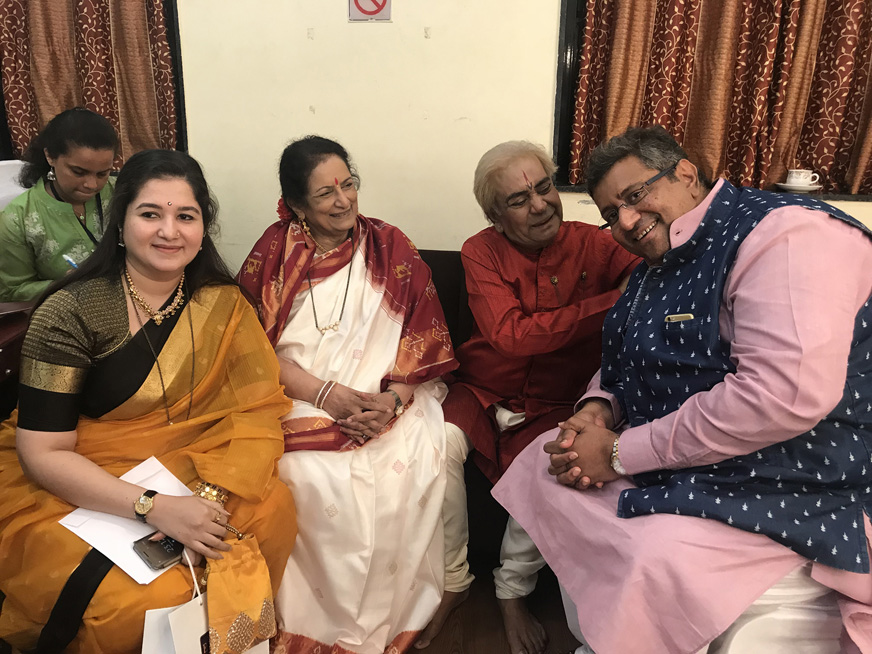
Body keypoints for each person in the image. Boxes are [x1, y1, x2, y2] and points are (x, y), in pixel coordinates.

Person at [493, 126, 872, 653]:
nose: (625, 220)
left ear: (687, 173)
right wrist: (599, 407)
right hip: (686, 455)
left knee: (654, 554)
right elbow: (626, 353)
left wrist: (621, 453)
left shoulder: (787, 235)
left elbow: (782, 398)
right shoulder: (659, 257)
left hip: (788, 472)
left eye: (634, 195)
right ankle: (569, 615)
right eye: (610, 212)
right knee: (546, 458)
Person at [0, 150, 297, 654]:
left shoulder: (221, 303)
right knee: (140, 596)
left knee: (275, 512)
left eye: (186, 216)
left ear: (203, 227)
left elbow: (255, 407)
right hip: (82, 479)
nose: (169, 231)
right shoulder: (69, 312)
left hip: (198, 467)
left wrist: (210, 496)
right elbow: (44, 453)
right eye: (150, 214)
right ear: (120, 223)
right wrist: (152, 507)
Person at [415, 141, 640, 652]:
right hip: (483, 386)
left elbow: (647, 278)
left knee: (553, 464)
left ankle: (511, 592)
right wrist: (611, 303)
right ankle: (454, 581)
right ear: (495, 216)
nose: (540, 205)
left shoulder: (599, 244)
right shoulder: (481, 250)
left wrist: (636, 290)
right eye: (519, 199)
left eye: (544, 188)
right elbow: (512, 336)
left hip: (561, 399)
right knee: (433, 444)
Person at [238, 135, 458, 654]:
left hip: (387, 398)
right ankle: (313, 626)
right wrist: (328, 394)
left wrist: (395, 402)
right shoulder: (273, 252)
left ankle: (388, 614)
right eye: (325, 194)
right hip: (297, 395)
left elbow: (421, 338)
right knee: (304, 474)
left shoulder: (391, 247)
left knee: (407, 464)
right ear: (296, 205)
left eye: (349, 184)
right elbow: (250, 351)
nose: (343, 201)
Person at [0, 107, 118, 301]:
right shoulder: (17, 219)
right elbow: (11, 292)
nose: (92, 185)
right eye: (78, 172)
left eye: (102, 173)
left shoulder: (121, 193)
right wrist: (62, 285)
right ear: (50, 157)